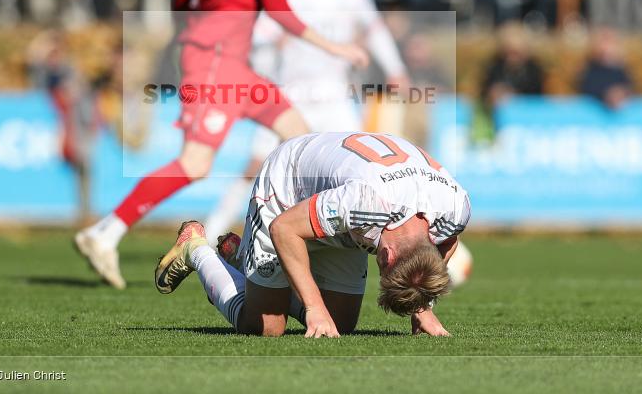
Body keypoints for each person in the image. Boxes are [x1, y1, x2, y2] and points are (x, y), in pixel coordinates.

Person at [74, 0, 369, 289]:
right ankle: (106, 232)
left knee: (300, 138)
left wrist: (188, 29)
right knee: (195, 163)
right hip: (215, 59)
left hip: (224, 59)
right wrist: (336, 46)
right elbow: (276, 5)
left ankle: (294, 246)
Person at [155, 131, 471, 338]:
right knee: (266, 326)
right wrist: (313, 308)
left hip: (341, 204)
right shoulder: (364, 203)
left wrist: (421, 309)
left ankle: (244, 261)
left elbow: (447, 242)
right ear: (386, 257)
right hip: (288, 190)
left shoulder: (454, 210)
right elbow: (285, 228)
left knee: (340, 326)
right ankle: (195, 248)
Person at [203, 0, 409, 242]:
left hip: (334, 96)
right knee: (256, 166)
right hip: (291, 95)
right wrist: (271, 42)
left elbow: (375, 31)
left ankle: (370, 237)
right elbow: (258, 34)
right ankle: (210, 231)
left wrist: (396, 69)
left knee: (356, 169)